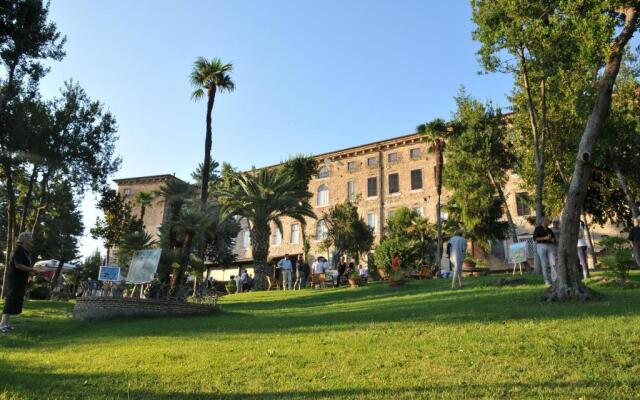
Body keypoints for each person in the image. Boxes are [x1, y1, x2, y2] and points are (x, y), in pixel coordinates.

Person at [1, 232, 40, 333]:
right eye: (30, 238)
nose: (32, 240)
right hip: (14, 278)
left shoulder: (25, 251)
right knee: (11, 298)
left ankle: (6, 323)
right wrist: (32, 270)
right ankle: (2, 324)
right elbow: (18, 265)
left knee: (15, 299)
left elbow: (24, 265)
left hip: (20, 279)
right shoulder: (18, 250)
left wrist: (32, 270)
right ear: (24, 239)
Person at [534, 217, 557, 285]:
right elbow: (535, 238)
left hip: (550, 246)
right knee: (544, 264)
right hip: (541, 246)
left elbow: (553, 239)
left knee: (553, 263)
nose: (549, 222)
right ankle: (546, 280)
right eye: (547, 221)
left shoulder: (549, 230)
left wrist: (551, 239)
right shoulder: (538, 228)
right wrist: (544, 238)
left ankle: (554, 279)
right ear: (543, 221)